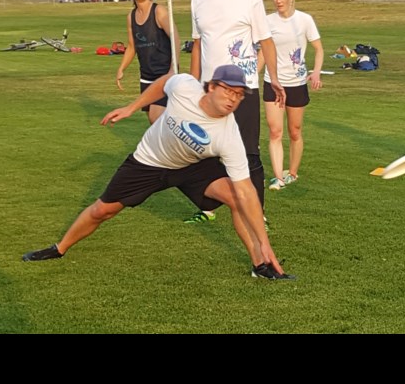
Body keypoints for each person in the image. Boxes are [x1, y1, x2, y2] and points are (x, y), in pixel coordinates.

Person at [21, 64, 294, 280]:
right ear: (210, 87)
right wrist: (132, 107)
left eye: (238, 95)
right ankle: (59, 248)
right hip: (148, 162)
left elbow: (246, 191)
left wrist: (264, 241)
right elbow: (165, 81)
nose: (232, 99)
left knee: (237, 198)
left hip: (192, 167)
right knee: (102, 210)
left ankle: (261, 264)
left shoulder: (228, 134)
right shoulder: (186, 87)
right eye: (227, 90)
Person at [185, 0, 283, 224]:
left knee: (249, 152)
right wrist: (192, 84)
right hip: (208, 90)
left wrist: (273, 79)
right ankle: (208, 208)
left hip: (243, 87)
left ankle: (258, 213)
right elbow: (197, 45)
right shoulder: (198, 1)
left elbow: (265, 40)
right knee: (205, 151)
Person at [260, 0, 324, 189]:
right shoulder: (267, 21)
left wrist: (315, 72)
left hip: (297, 83)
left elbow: (319, 49)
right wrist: (252, 77)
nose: (278, 1)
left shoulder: (304, 20)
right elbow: (263, 52)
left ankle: (292, 173)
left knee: (294, 131)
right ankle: (278, 177)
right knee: (275, 131)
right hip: (273, 82)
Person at [115, 0, 181, 124]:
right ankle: (170, 146)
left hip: (164, 74)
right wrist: (121, 68)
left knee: (156, 117)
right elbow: (132, 46)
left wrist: (173, 68)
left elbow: (175, 38)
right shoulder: (130, 16)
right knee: (155, 122)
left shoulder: (159, 11)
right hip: (146, 76)